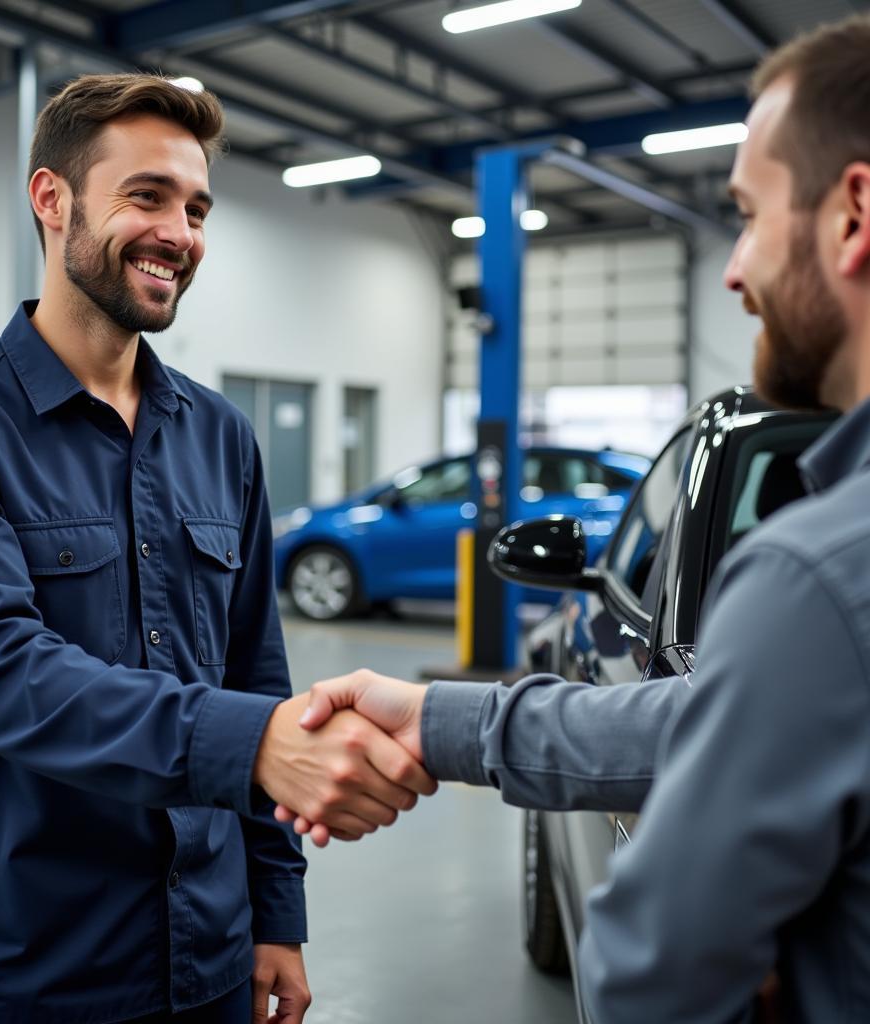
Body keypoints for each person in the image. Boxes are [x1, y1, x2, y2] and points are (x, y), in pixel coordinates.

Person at [276, 15, 870, 1023]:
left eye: (746, 213)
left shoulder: (818, 575)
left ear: (852, 214)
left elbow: (650, 976)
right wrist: (437, 716)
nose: (732, 270)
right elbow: (736, 714)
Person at [0, 74, 435, 1024]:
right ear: (52, 200)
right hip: (27, 969)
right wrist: (253, 746)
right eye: (146, 197)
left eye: (197, 207)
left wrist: (276, 916)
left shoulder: (221, 437)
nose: (180, 232)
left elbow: (259, 672)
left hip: (209, 961)